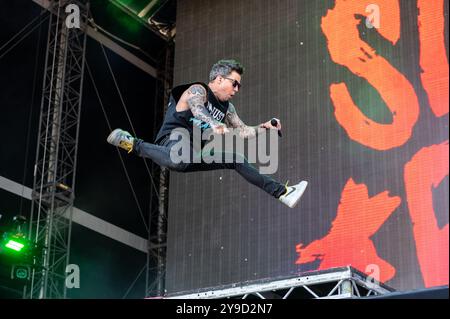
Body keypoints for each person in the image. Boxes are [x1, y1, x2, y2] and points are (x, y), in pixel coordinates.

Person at [107, 59, 308, 208]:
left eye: (239, 85)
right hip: (172, 142)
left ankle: (282, 192)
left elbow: (244, 132)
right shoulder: (198, 90)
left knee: (236, 159)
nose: (237, 89)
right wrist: (213, 123)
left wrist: (264, 127)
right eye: (234, 83)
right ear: (220, 79)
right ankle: (133, 144)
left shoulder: (228, 109)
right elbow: (197, 108)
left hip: (194, 154)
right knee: (180, 157)